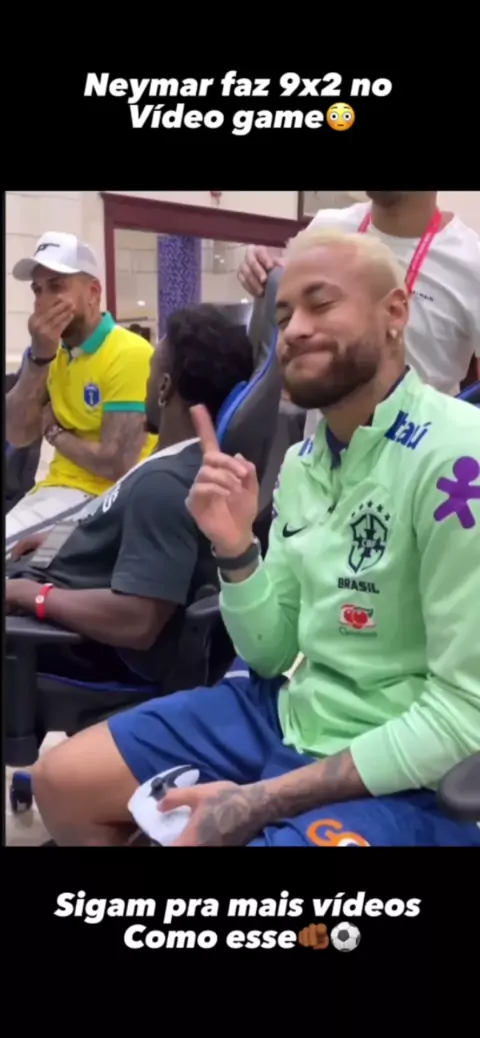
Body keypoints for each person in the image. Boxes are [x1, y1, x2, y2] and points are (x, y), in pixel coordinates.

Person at [31, 228, 480, 848]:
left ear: (395, 314)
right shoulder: (304, 461)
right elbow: (272, 654)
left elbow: (465, 717)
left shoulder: (459, 459)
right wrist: (236, 548)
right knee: (61, 782)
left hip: (408, 767)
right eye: (285, 314)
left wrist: (261, 799)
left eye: (321, 304)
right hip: (291, 712)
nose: (294, 330)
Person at [6, 304, 254, 687]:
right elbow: (119, 537)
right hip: (50, 586)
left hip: (61, 646)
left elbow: (138, 621)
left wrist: (29, 595)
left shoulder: (164, 485)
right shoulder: (174, 462)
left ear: (165, 387)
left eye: (152, 369)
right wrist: (64, 539)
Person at [238, 191, 480, 437]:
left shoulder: (472, 261)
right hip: (324, 451)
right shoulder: (328, 227)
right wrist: (263, 271)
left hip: (422, 452)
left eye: (323, 304)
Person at [6, 231, 157, 553]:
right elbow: (17, 435)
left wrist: (54, 433)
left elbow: (117, 465)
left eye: (56, 286)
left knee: (13, 552)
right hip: (53, 494)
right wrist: (39, 358)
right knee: (24, 565)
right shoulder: (48, 354)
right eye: (38, 290)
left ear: (93, 292)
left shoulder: (128, 353)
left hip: (102, 502)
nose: (42, 301)